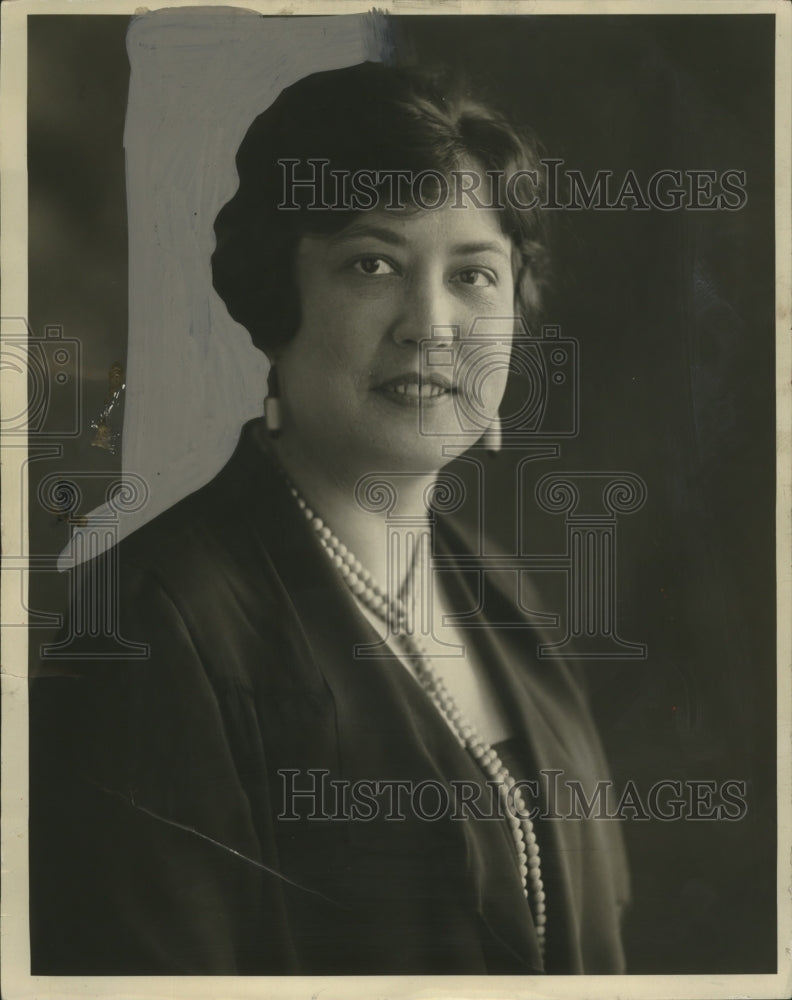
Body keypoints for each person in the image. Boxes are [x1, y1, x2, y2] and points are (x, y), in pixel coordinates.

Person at [29, 61, 629, 976]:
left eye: (474, 275)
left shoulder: (503, 594)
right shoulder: (153, 625)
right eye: (372, 263)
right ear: (279, 298)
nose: (429, 324)